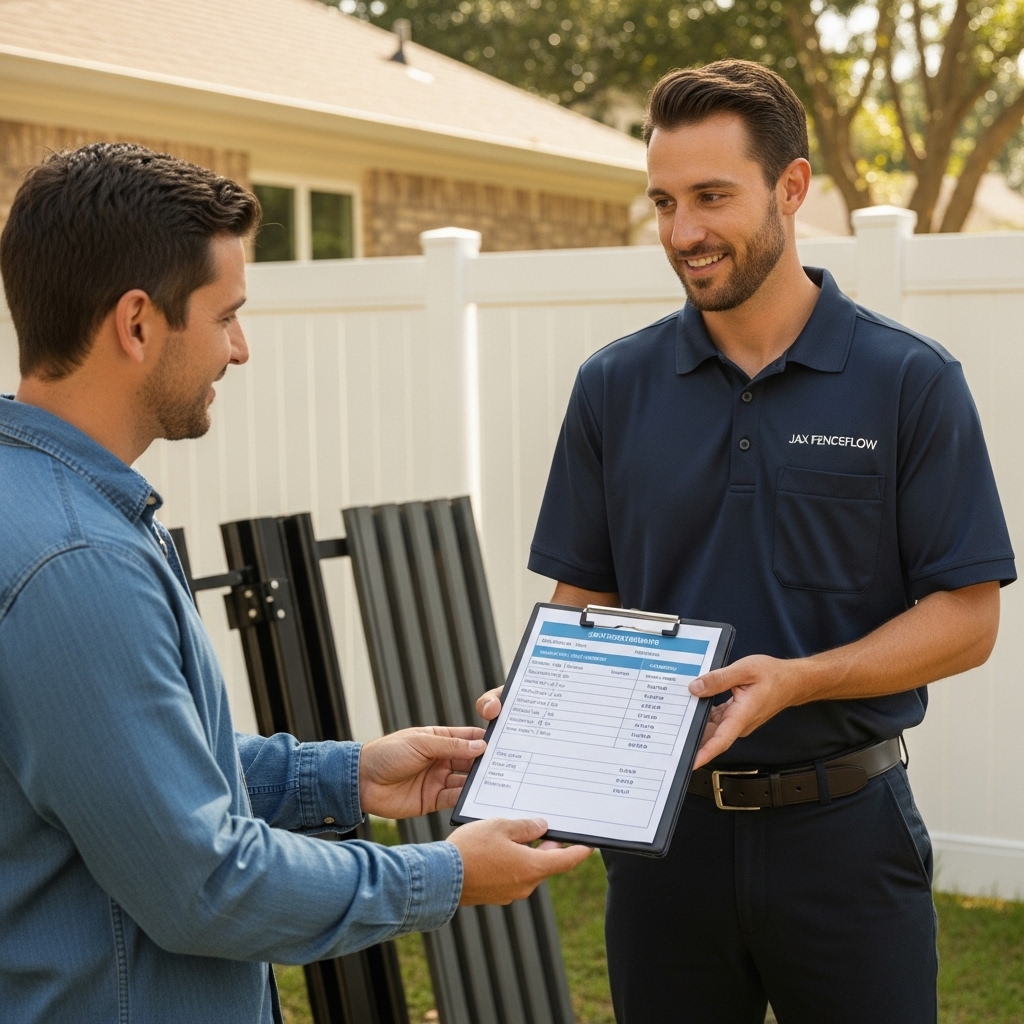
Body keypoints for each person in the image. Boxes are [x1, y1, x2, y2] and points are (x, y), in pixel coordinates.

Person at [0, 143, 590, 1024]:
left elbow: (127, 776)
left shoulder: (47, 503)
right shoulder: (79, 562)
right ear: (136, 323)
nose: (240, 349)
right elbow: (207, 884)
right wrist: (449, 873)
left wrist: (345, 776)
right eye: (227, 314)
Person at [476, 60, 1016, 1023]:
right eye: (664, 202)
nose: (683, 233)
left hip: (847, 838)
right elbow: (585, 598)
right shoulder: (614, 387)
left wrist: (797, 680)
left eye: (712, 197)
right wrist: (541, 702)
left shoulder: (909, 381)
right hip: (663, 850)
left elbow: (969, 621)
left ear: (792, 187)